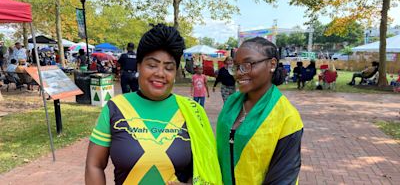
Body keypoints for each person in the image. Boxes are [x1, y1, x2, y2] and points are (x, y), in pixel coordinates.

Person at [85, 24, 222, 185]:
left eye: (169, 68)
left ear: (175, 72)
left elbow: (206, 168)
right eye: (152, 65)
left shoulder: (193, 111)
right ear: (139, 66)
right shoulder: (116, 107)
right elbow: (94, 165)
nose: (160, 73)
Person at [216, 37, 303, 184]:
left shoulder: (286, 116)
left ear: (272, 64)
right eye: (236, 66)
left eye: (248, 65)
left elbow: (283, 178)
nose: (239, 73)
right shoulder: (232, 103)